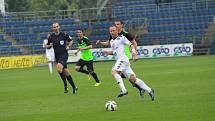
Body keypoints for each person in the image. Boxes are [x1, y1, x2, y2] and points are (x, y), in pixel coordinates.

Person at [103, 25, 155, 100]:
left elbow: (131, 45)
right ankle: (150, 90)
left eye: (114, 30)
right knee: (133, 79)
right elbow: (115, 52)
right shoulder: (111, 41)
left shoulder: (122, 38)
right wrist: (108, 52)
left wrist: (134, 52)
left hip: (123, 59)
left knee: (114, 72)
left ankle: (124, 90)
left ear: (117, 31)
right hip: (122, 62)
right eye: (111, 31)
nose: (112, 32)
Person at [96, 20, 143, 96]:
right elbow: (108, 43)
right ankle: (141, 88)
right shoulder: (113, 33)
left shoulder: (125, 34)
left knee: (116, 73)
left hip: (125, 56)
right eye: (115, 24)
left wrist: (135, 54)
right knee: (129, 78)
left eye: (118, 24)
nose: (116, 25)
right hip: (119, 57)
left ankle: (125, 90)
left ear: (122, 25)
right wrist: (100, 43)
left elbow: (134, 43)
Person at [47, 22, 77, 94]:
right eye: (54, 27)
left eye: (57, 26)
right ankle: (74, 87)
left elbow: (71, 40)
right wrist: (49, 45)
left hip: (64, 55)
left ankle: (65, 85)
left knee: (58, 68)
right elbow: (47, 46)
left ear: (59, 27)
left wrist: (68, 46)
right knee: (65, 72)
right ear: (52, 28)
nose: (56, 28)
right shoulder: (50, 37)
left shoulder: (64, 34)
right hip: (57, 56)